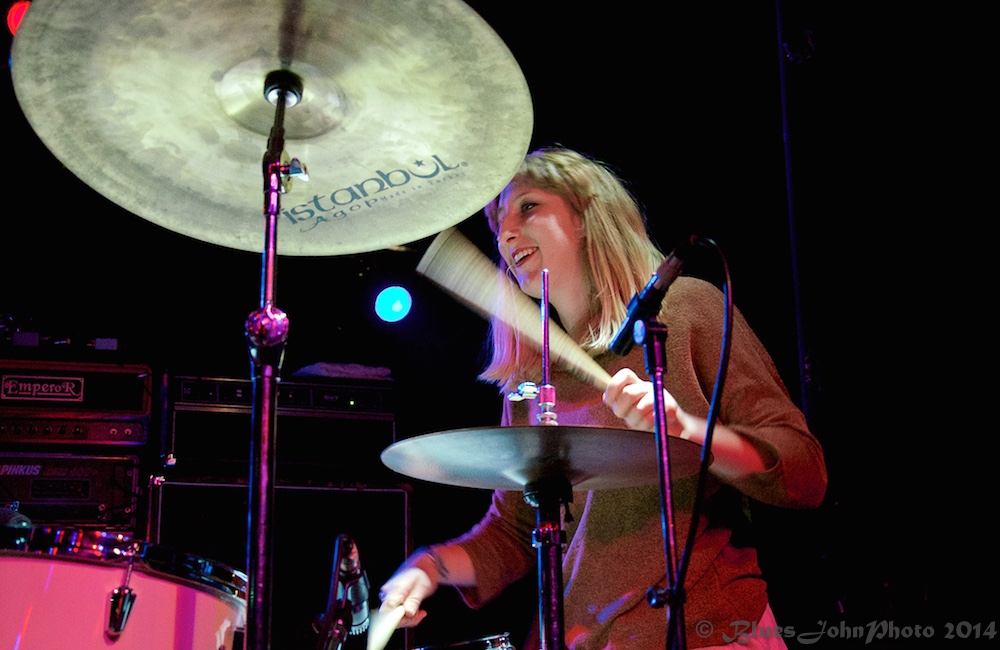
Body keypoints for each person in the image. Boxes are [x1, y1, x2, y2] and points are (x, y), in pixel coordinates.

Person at [377, 146, 828, 649]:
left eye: (527, 206)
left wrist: (685, 431)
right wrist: (430, 567)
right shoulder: (534, 373)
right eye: (496, 219)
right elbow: (514, 530)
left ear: (588, 215)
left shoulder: (685, 312)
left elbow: (803, 472)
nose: (504, 233)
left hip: (710, 631)